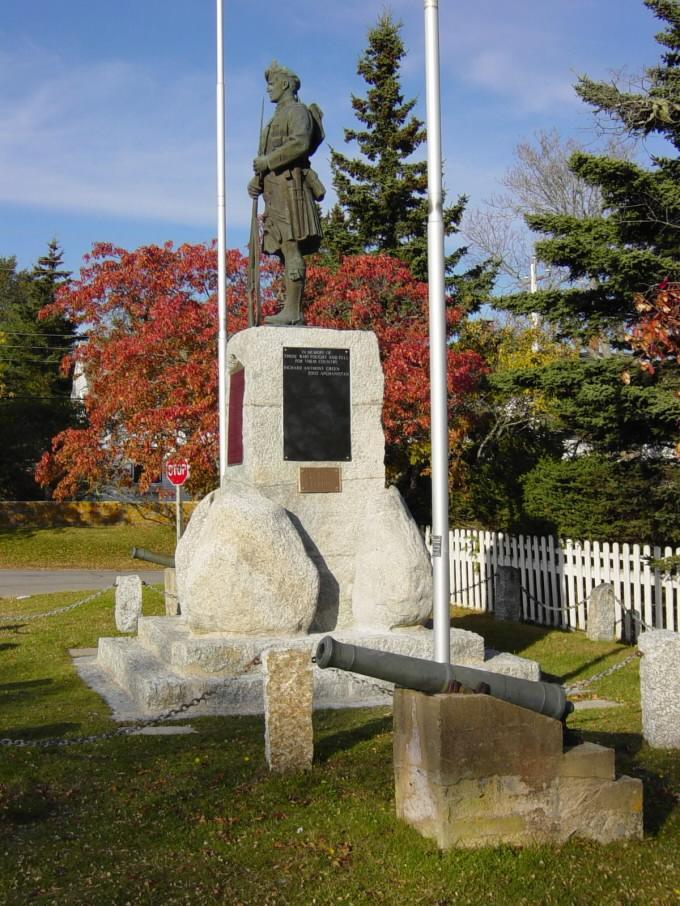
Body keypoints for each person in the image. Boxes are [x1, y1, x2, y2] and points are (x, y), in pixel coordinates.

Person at [247, 61, 325, 325]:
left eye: (272, 84)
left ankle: (294, 312)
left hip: (291, 191)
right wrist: (257, 179)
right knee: (283, 250)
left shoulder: (297, 111)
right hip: (274, 192)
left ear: (285, 84)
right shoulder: (275, 119)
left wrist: (267, 162)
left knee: (291, 249)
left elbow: (300, 143)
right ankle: (290, 308)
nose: (268, 89)